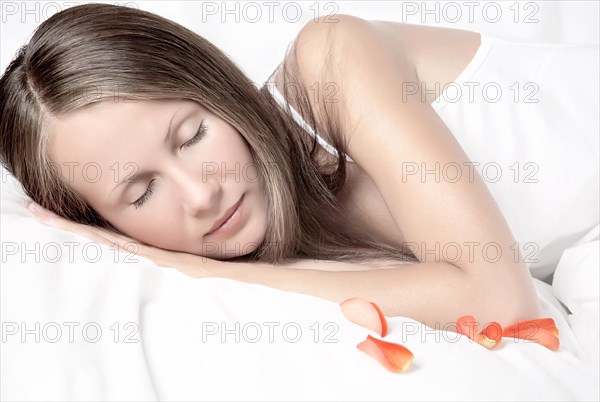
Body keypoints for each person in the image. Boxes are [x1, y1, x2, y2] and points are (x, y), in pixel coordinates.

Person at [5, 2, 594, 330]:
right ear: (105, 225)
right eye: (139, 194)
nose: (200, 194)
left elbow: (497, 298)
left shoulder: (330, 61)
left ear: (218, 89)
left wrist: (200, 270)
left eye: (192, 136)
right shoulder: (284, 251)